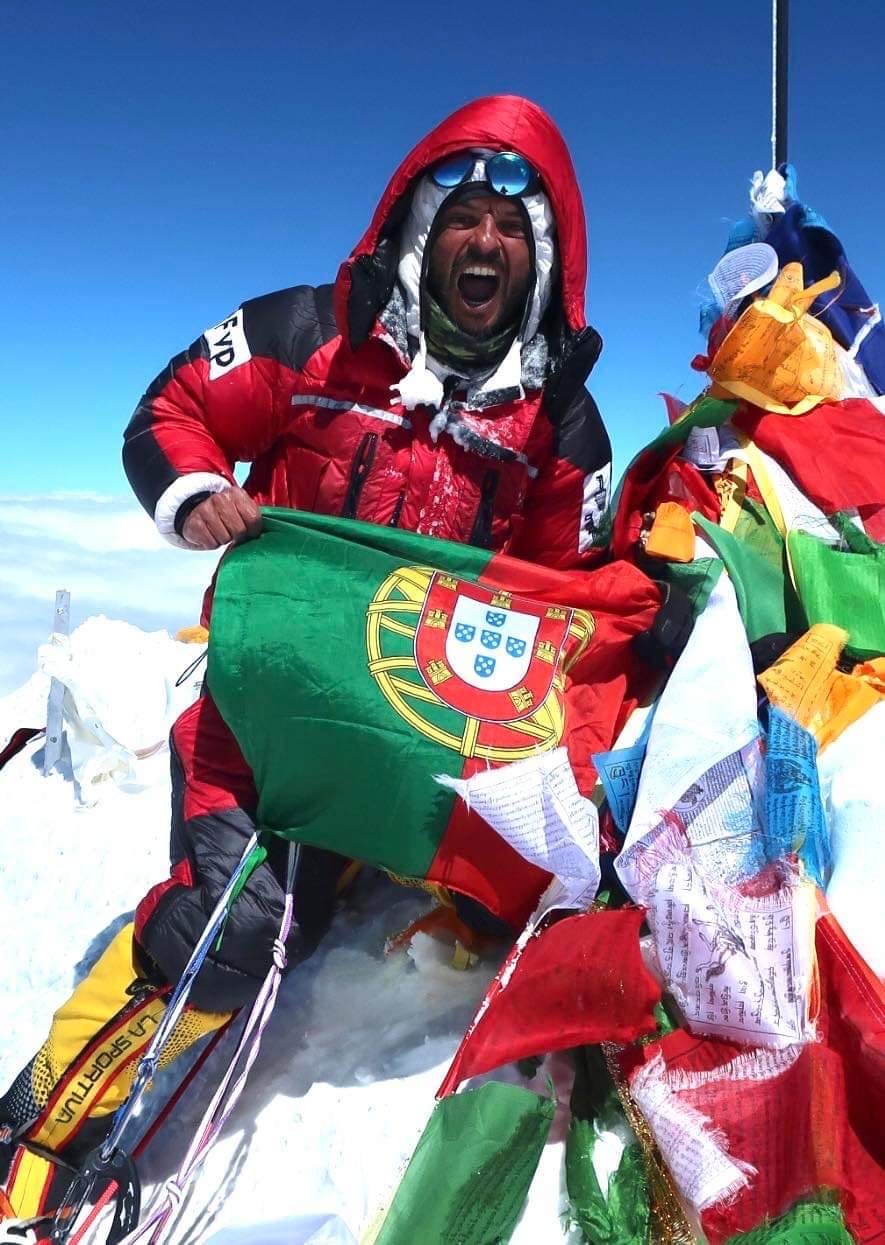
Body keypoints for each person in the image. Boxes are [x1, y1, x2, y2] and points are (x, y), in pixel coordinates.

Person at [0, 94, 613, 1224]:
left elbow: (562, 611)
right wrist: (191, 497)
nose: (486, 241)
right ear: (424, 222)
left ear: (546, 255)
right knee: (228, 936)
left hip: (407, 746)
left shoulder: (563, 433)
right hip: (263, 713)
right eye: (465, 213)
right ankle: (35, 1124)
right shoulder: (305, 331)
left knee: (353, 918)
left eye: (512, 227)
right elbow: (172, 409)